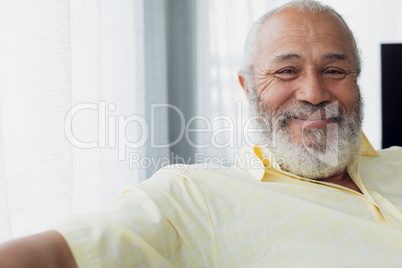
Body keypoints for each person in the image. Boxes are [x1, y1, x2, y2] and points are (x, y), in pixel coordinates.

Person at [1, 0, 402, 267]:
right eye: (286, 71)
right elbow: (64, 251)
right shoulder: (197, 197)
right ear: (248, 88)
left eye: (334, 71)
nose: (314, 93)